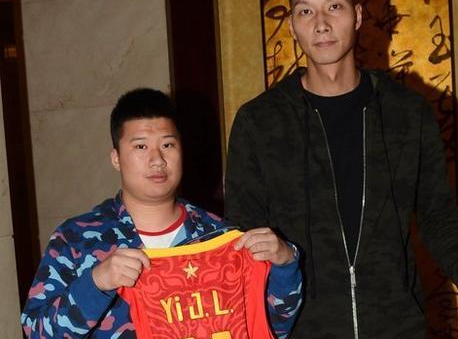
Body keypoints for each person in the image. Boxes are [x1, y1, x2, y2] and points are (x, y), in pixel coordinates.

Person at [224, 0, 458, 338]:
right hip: (302, 329)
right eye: (305, 11)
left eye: (334, 6)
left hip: (397, 326)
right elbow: (240, 233)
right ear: (291, 25)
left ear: (357, 15)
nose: (321, 24)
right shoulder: (260, 121)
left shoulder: (407, 112)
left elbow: (437, 214)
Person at [21, 88, 302, 338]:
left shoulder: (220, 238)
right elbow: (35, 331)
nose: (157, 160)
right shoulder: (76, 239)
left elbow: (271, 327)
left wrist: (285, 265)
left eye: (167, 145)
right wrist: (97, 284)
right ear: (116, 158)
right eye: (141, 146)